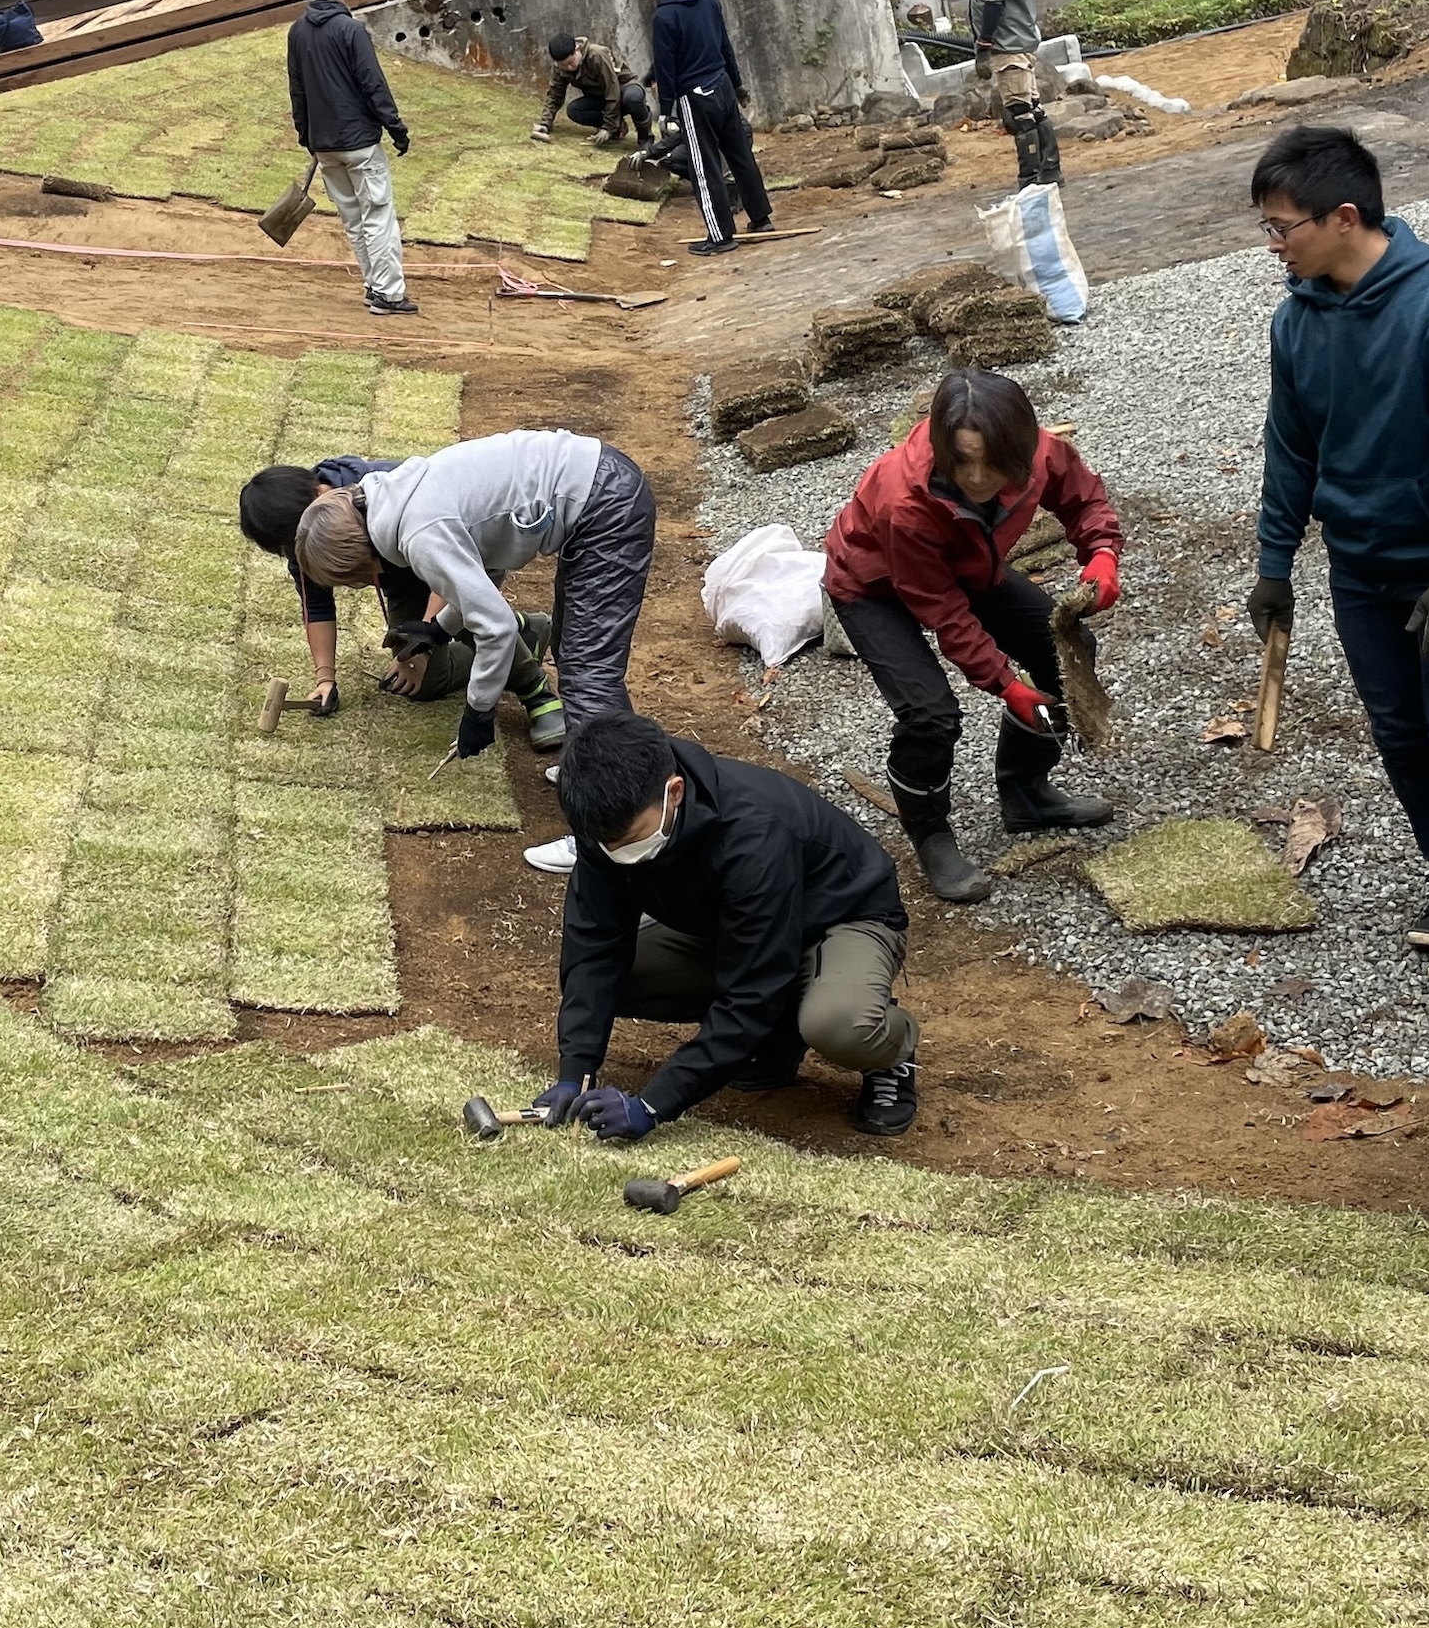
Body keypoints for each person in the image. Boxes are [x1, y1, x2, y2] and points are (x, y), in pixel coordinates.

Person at [1246, 126, 1429, 983]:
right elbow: (1289, 451)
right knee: (1401, 734)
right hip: (1359, 567)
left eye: (1281, 227)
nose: (1273, 245)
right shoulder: (1296, 323)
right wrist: (1274, 562)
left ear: (1343, 217)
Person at [530, 711, 923, 1138]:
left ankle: (889, 1053)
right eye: (607, 845)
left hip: (842, 917)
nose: (618, 854)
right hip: (732, 925)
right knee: (613, 980)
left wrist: (652, 1104)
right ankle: (780, 1030)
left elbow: (752, 992)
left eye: (632, 840)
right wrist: (576, 1071)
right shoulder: (604, 823)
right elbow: (594, 947)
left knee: (839, 1022)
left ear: (674, 792)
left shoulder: (752, 833)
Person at [291, 428, 654, 875]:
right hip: (596, 486)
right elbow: (470, 583)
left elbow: (497, 627)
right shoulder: (392, 499)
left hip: (605, 505)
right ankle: (591, 761)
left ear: (361, 562)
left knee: (586, 672)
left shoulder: (418, 536)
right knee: (569, 647)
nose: (368, 584)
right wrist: (436, 631)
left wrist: (478, 709)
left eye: (358, 580)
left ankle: (605, 834)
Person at [823, 369, 1121, 903]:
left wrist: (1101, 553)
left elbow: (1083, 499)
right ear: (942, 447)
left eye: (993, 461)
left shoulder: (1040, 453)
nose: (979, 478)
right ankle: (931, 832)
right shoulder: (905, 502)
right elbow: (945, 612)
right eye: (963, 461)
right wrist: (1007, 686)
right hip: (872, 584)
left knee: (1064, 653)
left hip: (965, 565)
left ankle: (1026, 792)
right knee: (931, 715)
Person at [237, 460, 561, 742]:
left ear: (320, 494)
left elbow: (448, 578)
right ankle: (523, 632)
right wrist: (325, 679)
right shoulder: (305, 536)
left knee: (472, 618)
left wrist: (422, 643)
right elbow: (317, 606)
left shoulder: (386, 493)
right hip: (406, 579)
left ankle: (535, 689)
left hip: (458, 552)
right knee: (423, 685)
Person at [285, 0, 415, 317]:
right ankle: (389, 295)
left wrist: (306, 135)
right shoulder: (351, 30)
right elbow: (373, 84)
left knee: (355, 222)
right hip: (358, 142)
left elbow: (297, 89)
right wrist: (396, 128)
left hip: (324, 145)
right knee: (377, 217)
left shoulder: (297, 31)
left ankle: (375, 286)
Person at [640, 0, 771, 257]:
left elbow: (665, 67)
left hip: (694, 97)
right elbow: (726, 46)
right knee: (740, 155)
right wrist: (737, 85)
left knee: (704, 166)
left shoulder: (665, 17)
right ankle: (761, 217)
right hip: (722, 85)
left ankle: (720, 235)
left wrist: (666, 111)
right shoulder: (708, 0)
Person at [952, 0, 1056, 189]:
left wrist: (984, 43)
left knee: (1020, 112)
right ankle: (1049, 170)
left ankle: (1031, 178)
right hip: (1018, 34)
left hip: (1007, 39)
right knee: (1032, 106)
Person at [533, 32, 656, 147]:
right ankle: (618, 129)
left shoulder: (597, 55)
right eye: (563, 65)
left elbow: (612, 90)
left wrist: (608, 127)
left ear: (577, 49)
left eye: (570, 62)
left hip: (623, 88)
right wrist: (545, 123)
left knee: (633, 98)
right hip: (600, 96)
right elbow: (555, 95)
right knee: (574, 110)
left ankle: (645, 139)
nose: (568, 68)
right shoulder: (560, 68)